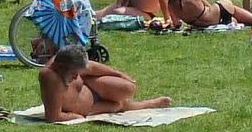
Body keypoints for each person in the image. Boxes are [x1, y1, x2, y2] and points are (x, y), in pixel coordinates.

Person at [38, 44, 170, 123]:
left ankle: (146, 103)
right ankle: (151, 104)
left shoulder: (65, 60)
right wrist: (78, 117)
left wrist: (119, 74)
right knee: (117, 105)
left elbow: (91, 67)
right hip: (89, 110)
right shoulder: (50, 77)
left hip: (92, 88)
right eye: (74, 75)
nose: (75, 77)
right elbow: (53, 117)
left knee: (129, 87)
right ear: (61, 67)